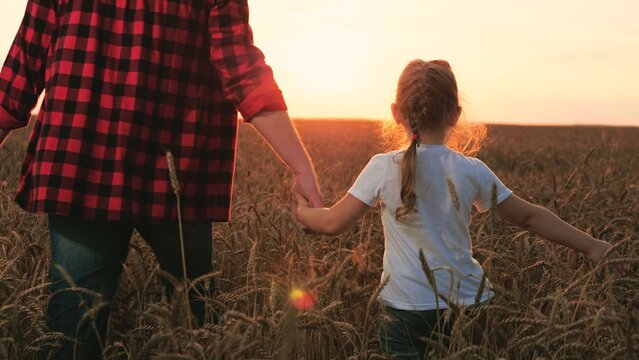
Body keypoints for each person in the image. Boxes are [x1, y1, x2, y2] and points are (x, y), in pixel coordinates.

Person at [0, 0, 323, 359]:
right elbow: (242, 70)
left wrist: (299, 166)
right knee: (198, 326)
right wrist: (299, 166)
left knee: (74, 329)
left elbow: (21, 68)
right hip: (178, 173)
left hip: (80, 164)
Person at [294, 59, 621, 359]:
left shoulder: (383, 167)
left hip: (405, 309)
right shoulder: (471, 170)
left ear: (396, 112)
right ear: (455, 114)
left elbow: (333, 222)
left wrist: (302, 213)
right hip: (470, 303)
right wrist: (594, 246)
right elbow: (530, 217)